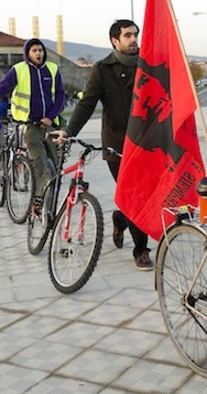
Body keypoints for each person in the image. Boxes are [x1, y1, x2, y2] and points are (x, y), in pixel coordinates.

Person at [53, 19, 152, 271]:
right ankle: (141, 250)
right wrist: (69, 130)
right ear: (115, 41)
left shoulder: (148, 65)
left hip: (147, 144)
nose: (133, 40)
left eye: (135, 35)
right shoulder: (103, 69)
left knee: (144, 196)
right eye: (128, 35)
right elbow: (87, 104)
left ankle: (120, 218)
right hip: (117, 145)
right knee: (134, 196)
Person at [0, 39, 65, 199]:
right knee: (39, 162)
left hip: (50, 124)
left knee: (57, 162)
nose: (38, 53)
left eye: (40, 50)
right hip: (29, 125)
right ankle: (38, 198)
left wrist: (50, 117)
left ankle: (52, 196)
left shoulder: (52, 69)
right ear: (28, 53)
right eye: (34, 50)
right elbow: (0, 89)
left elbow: (61, 96)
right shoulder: (19, 70)